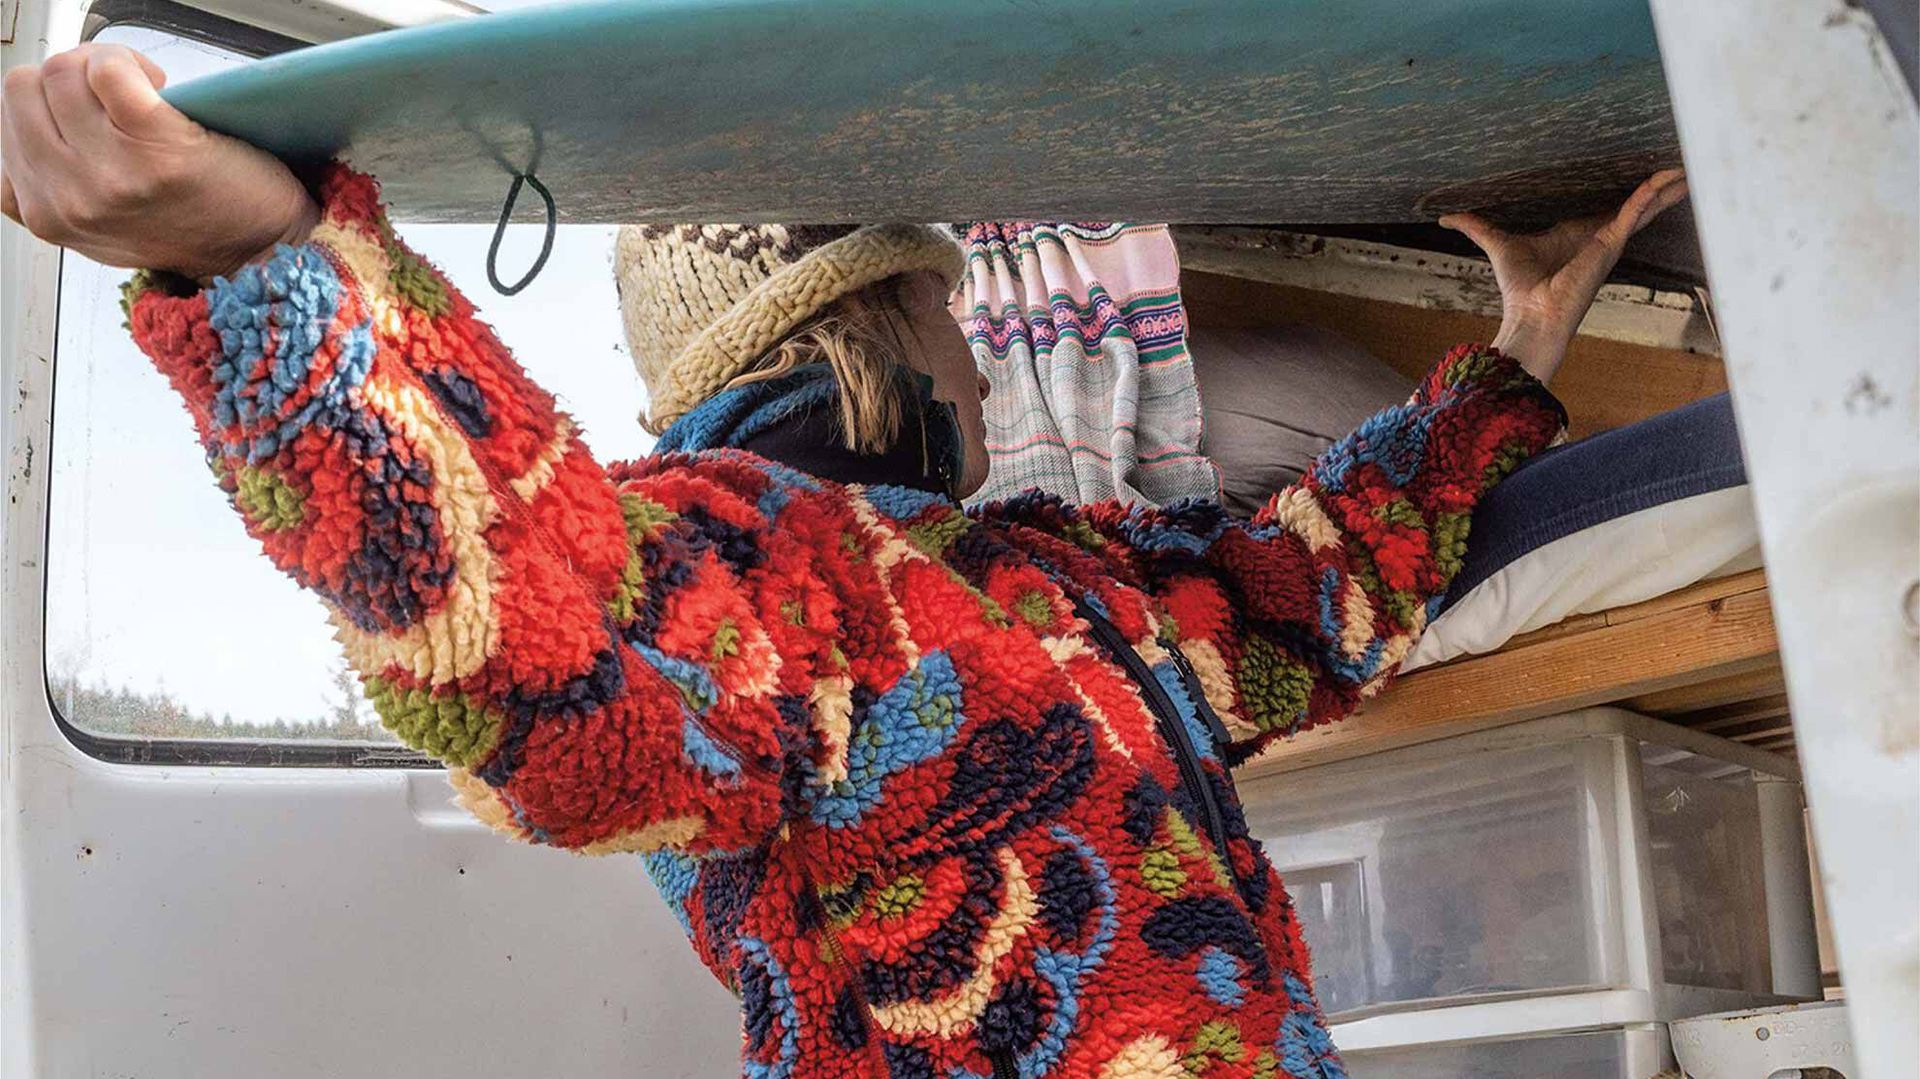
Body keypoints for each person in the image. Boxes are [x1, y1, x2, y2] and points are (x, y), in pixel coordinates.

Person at [2, 43, 1687, 1079]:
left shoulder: (1034, 572)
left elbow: (1289, 607)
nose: (977, 332)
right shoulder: (760, 568)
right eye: (942, 299)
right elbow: (539, 651)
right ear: (869, 321)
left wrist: (1518, 358)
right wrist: (261, 269)